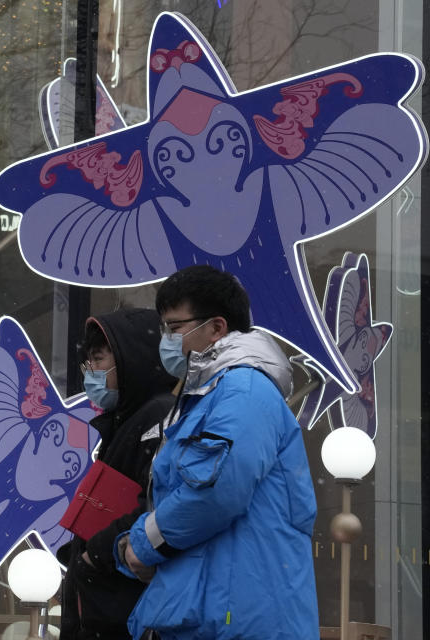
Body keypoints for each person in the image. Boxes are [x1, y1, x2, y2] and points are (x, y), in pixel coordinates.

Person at [115, 265, 318, 640]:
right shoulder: (209, 396)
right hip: (217, 614)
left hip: (240, 620)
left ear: (217, 327)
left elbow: (216, 493)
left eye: (175, 327)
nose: (167, 339)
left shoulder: (243, 391)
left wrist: (142, 544)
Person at [58, 308, 178, 640]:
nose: (91, 372)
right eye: (88, 363)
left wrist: (94, 554)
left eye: (99, 360)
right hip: (106, 605)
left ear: (131, 359)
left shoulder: (158, 416)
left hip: (123, 608)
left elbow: (158, 502)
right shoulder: (126, 419)